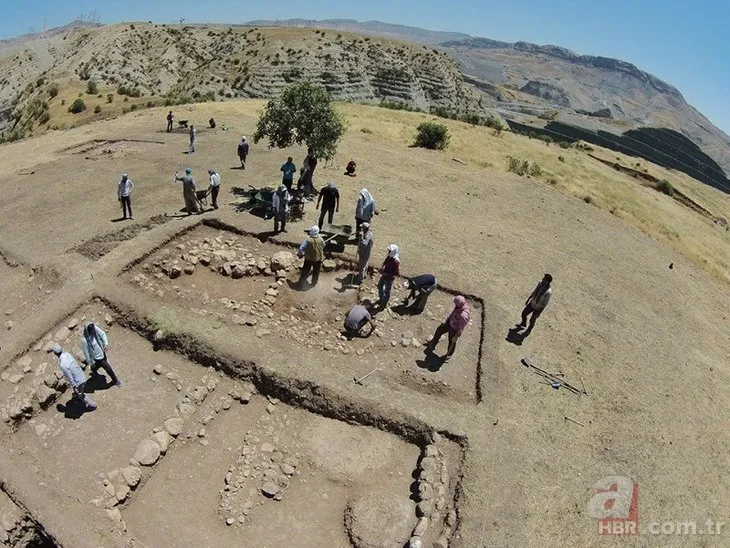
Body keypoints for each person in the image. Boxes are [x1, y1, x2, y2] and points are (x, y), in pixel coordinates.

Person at [52, 344, 97, 410]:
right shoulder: (67, 354)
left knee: (80, 394)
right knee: (79, 390)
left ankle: (92, 405)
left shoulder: (62, 364)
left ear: (55, 354)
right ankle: (77, 395)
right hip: (81, 375)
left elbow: (69, 376)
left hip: (78, 381)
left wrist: (74, 386)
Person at [425, 296, 471, 361]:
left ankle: (449, 354)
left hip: (454, 329)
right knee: (439, 329)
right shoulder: (458, 307)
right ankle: (434, 342)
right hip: (450, 322)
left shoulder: (463, 315)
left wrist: (456, 335)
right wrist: (446, 319)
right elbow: (452, 313)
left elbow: (461, 328)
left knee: (451, 341)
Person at [80, 322, 121, 387]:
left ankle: (93, 369)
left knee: (99, 365)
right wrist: (90, 362)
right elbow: (86, 353)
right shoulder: (85, 341)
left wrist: (105, 344)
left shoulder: (95, 328)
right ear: (88, 331)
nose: (93, 331)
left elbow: (102, 334)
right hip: (98, 358)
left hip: (102, 352)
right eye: (91, 331)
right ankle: (115, 380)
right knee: (108, 368)